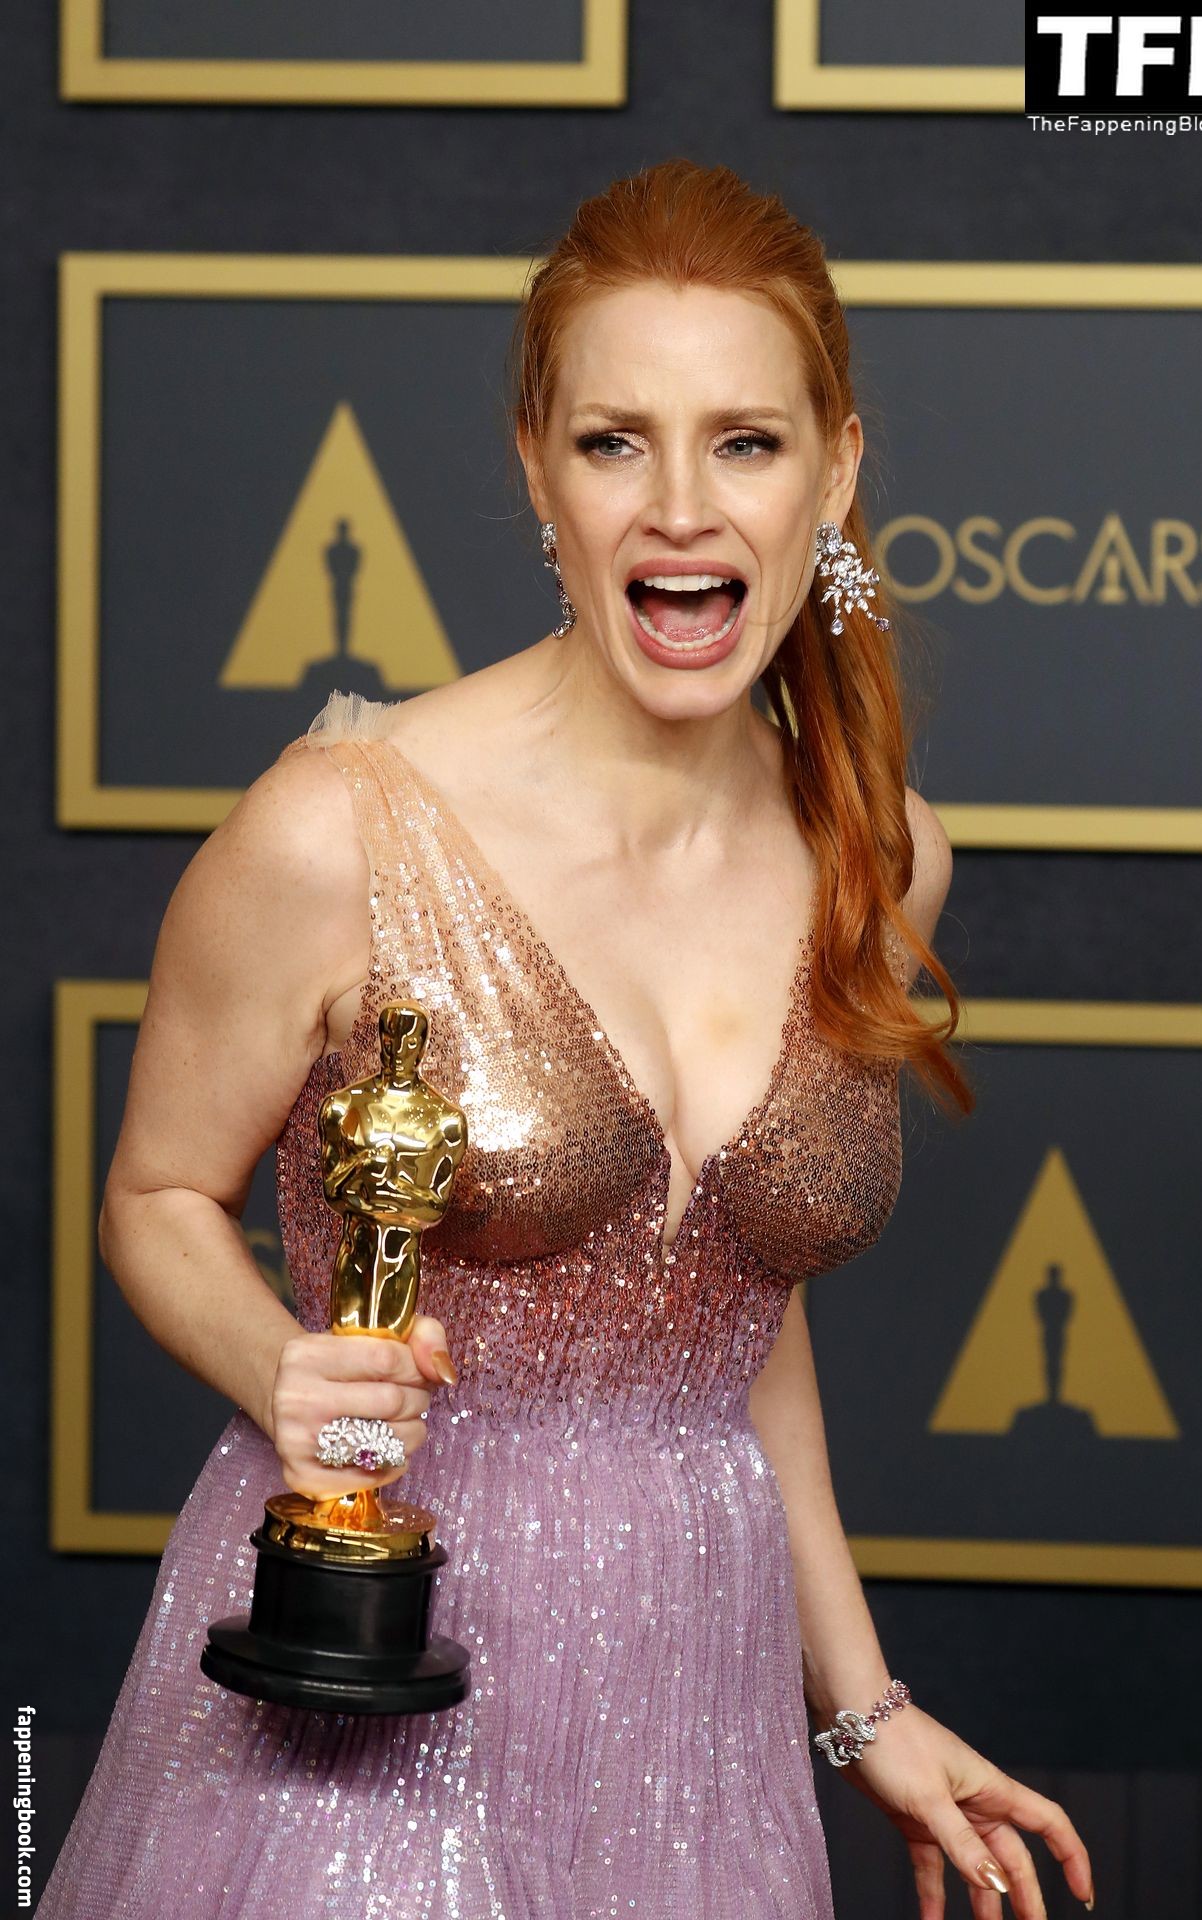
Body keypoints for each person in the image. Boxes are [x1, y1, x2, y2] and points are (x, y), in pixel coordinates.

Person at [37, 159, 1095, 1919]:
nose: (680, 509)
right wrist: (276, 1363)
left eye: (744, 443)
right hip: (371, 1675)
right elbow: (152, 1196)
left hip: (693, 1710)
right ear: (538, 468)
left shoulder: (879, 854)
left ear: (834, 473)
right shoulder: (334, 829)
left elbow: (733, 1315)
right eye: (616, 443)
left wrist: (867, 1709)